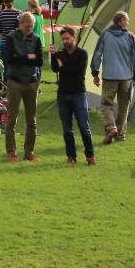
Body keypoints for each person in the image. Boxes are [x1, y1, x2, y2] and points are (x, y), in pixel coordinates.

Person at [90, 11, 135, 145]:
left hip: (109, 77)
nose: (128, 22)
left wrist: (95, 73)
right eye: (127, 20)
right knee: (124, 106)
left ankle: (111, 127)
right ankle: (120, 134)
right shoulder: (130, 37)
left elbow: (97, 55)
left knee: (106, 105)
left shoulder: (105, 35)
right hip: (126, 78)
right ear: (121, 21)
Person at [2, 12, 43, 162]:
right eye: (27, 27)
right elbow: (10, 59)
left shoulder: (36, 39)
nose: (29, 29)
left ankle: (29, 152)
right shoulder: (11, 37)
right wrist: (28, 57)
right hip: (15, 81)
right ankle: (11, 152)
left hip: (32, 82)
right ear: (21, 24)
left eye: (31, 27)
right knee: (12, 119)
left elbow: (39, 61)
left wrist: (21, 57)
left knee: (32, 120)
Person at [51, 27, 94, 165]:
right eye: (63, 39)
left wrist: (63, 67)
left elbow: (78, 71)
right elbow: (55, 69)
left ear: (74, 38)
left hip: (78, 94)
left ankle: (90, 156)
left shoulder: (82, 54)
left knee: (84, 127)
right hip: (63, 94)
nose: (65, 41)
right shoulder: (59, 54)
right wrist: (53, 55)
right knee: (67, 129)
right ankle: (71, 156)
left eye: (67, 38)